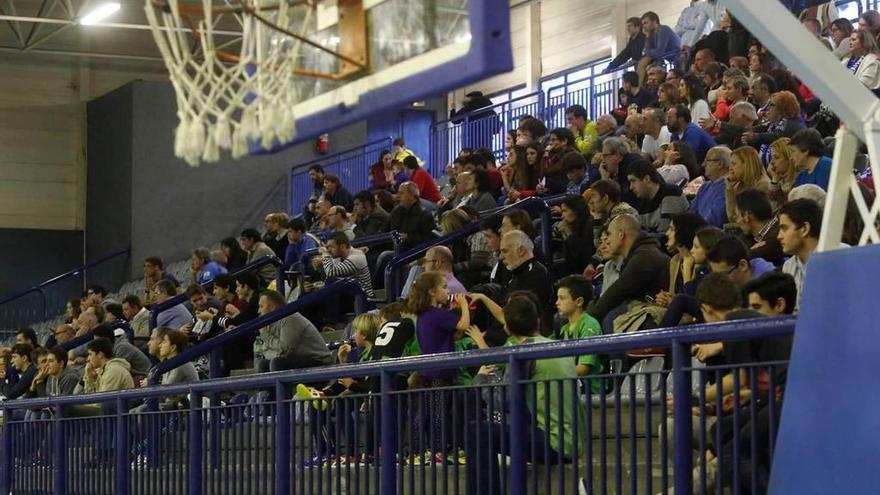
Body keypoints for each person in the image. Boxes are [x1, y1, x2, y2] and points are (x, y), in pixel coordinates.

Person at [466, 296, 582, 494]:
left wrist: (480, 381)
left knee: (477, 431)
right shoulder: (556, 346)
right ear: (537, 321)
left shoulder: (522, 353)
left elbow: (504, 402)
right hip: (573, 441)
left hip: (552, 443)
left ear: (507, 330)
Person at [588, 214, 670, 327]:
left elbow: (617, 293)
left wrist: (587, 321)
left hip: (660, 316)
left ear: (621, 235)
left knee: (611, 319)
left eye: (610, 234)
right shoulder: (642, 252)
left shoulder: (644, 257)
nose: (607, 241)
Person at [253, 290, 332, 372]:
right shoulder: (272, 324)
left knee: (277, 363)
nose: (258, 311)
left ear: (272, 307)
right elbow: (268, 352)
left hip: (319, 361)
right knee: (263, 364)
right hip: (298, 359)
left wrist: (265, 335)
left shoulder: (289, 317)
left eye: (261, 306)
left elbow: (285, 349)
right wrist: (278, 352)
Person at [555, 275, 604, 391]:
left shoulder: (589, 325)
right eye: (557, 298)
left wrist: (554, 375)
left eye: (562, 298)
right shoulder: (564, 329)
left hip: (590, 389)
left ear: (579, 301)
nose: (557, 303)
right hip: (571, 385)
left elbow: (583, 369)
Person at [778, 199, 822, 308]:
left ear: (804, 229)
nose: (779, 236)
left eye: (784, 229)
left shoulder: (841, 254)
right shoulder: (788, 266)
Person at [626, 159, 688, 233]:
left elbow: (665, 233)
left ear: (647, 179)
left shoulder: (671, 193)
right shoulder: (643, 203)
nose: (631, 187)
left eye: (633, 181)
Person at [743, 91, 805, 165]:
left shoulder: (792, 123)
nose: (768, 109)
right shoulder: (774, 123)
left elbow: (777, 136)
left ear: (783, 108)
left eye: (771, 105)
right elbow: (755, 129)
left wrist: (756, 137)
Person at [313, 232, 374, 297]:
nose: (329, 250)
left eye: (331, 247)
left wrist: (325, 254)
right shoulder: (340, 256)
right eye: (327, 247)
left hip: (363, 298)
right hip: (349, 296)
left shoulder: (356, 257)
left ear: (342, 247)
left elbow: (331, 272)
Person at [735, 188, 784, 265]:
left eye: (737, 216)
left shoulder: (780, 234)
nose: (737, 221)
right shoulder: (749, 237)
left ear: (747, 216)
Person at [725, 146, 771, 225]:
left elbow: (746, 222)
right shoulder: (739, 186)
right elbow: (732, 217)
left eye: (734, 164)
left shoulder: (763, 186)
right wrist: (729, 189)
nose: (730, 168)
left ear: (747, 164)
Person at [401, 245, 466, 299]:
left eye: (426, 261)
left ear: (438, 263)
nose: (423, 266)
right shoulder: (444, 285)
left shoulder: (449, 288)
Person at [585, 179, 639, 244]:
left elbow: (602, 245)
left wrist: (597, 220)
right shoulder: (615, 212)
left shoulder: (620, 214)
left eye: (594, 196)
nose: (591, 201)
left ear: (605, 199)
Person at [689, 146, 730, 228]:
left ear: (720, 164)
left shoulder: (728, 187)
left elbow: (715, 221)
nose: (703, 165)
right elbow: (691, 214)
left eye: (707, 160)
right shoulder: (705, 186)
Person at [388, 182, 437, 250]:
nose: (398, 196)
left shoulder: (425, 215)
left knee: (384, 256)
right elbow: (388, 231)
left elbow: (428, 238)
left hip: (414, 252)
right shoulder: (396, 211)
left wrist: (409, 238)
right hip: (396, 248)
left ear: (413, 196)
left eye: (402, 193)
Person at [555, 195, 596, 275]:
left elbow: (583, 258)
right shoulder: (573, 226)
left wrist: (568, 234)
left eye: (565, 211)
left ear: (576, 210)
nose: (562, 216)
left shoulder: (590, 225)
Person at [637, 11, 681, 85]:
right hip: (673, 61)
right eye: (642, 24)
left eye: (645, 23)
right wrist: (647, 36)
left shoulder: (663, 29)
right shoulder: (652, 34)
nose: (643, 26)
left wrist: (647, 51)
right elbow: (648, 52)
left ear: (654, 22)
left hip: (681, 59)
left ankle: (639, 87)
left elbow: (659, 52)